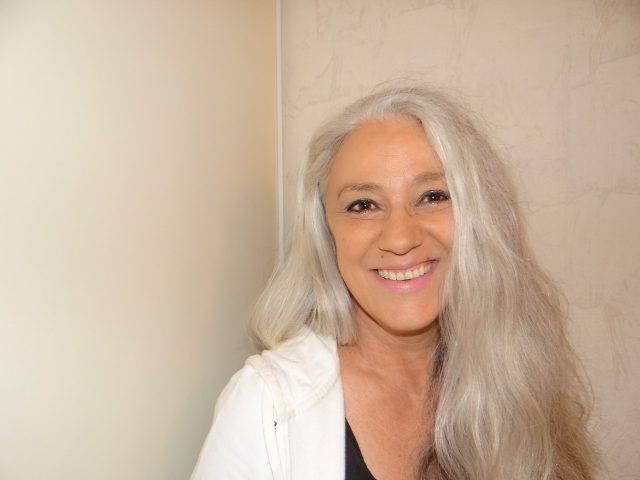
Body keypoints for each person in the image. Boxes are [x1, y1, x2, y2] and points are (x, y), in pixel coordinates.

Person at [190, 86, 598, 479]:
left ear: (480, 217)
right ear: (326, 233)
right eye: (363, 205)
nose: (400, 238)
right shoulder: (268, 405)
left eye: (432, 196)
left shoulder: (518, 381)